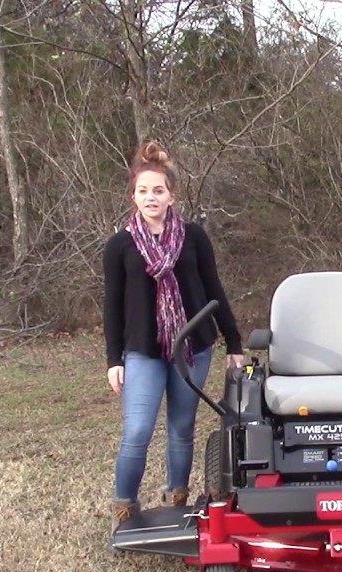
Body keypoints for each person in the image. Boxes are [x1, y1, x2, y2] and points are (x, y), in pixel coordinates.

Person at [103, 141, 243, 532]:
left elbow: (214, 288)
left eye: (159, 190)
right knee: (137, 431)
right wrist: (114, 360)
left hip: (192, 348)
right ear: (133, 195)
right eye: (143, 190)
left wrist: (233, 342)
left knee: (181, 428)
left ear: (172, 194)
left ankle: (177, 503)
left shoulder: (194, 237)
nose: (151, 197)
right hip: (143, 351)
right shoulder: (120, 245)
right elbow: (112, 307)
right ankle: (125, 509)